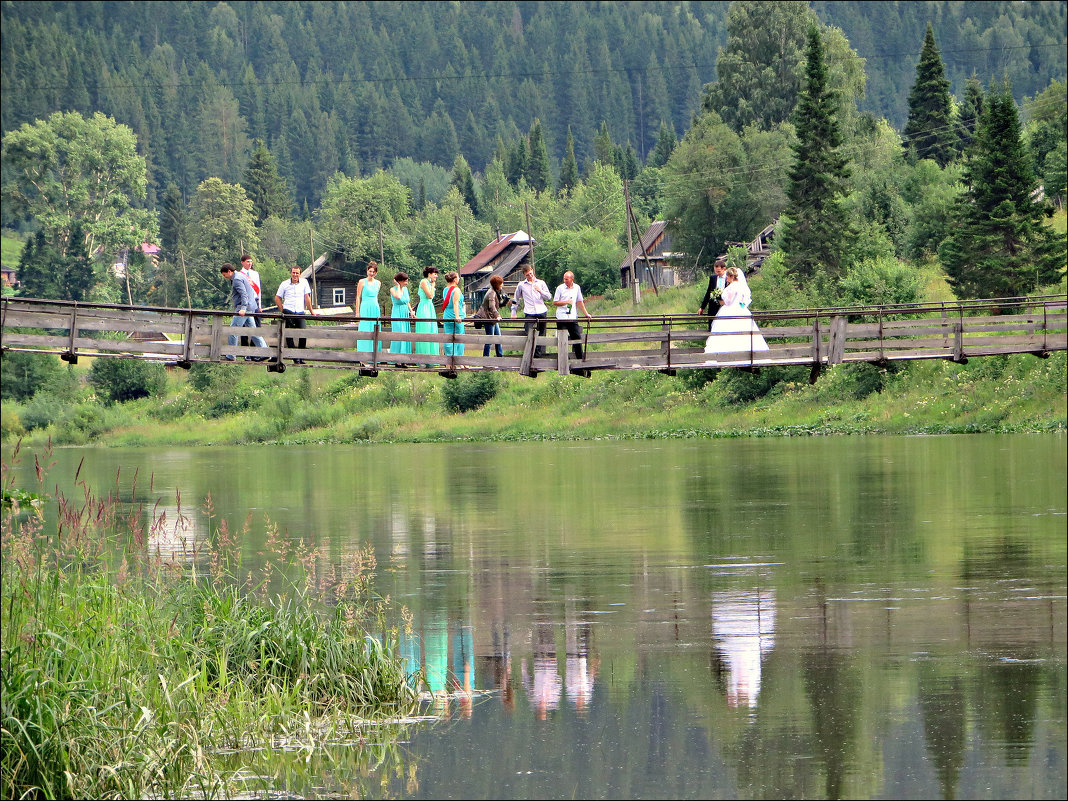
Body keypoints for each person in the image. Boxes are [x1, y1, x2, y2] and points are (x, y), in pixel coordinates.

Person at [704, 266, 769, 363]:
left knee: (727, 331)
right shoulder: (741, 286)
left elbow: (729, 302)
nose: (726, 278)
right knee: (745, 331)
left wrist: (721, 301)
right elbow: (744, 301)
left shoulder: (731, 287)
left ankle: (726, 355)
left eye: (727, 276)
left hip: (729, 310)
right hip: (741, 310)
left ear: (731, 276)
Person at [220, 263, 266, 361]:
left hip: (244, 308)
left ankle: (231, 355)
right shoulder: (240, 276)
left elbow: (244, 294)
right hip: (250, 307)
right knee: (253, 331)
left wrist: (243, 308)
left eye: (225, 275)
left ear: (229, 271)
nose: (225, 277)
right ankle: (265, 351)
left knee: (233, 331)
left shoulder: (236, 279)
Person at [274, 265, 317, 364]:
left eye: (297, 273)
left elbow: (307, 298)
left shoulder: (304, 283)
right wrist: (283, 310)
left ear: (300, 274)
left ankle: (301, 356)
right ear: (291, 273)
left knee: (303, 333)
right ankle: (294, 357)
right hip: (288, 310)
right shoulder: (284, 284)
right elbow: (277, 298)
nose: (295, 275)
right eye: (293, 272)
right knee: (289, 334)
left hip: (300, 311)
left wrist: (312, 312)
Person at [510, 265, 552, 358]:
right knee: (528, 331)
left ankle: (538, 354)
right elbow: (516, 298)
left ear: (532, 271)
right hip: (529, 312)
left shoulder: (541, 283)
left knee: (542, 332)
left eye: (531, 274)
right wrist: (513, 312)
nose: (530, 276)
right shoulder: (522, 285)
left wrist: (540, 291)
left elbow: (549, 297)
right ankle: (531, 352)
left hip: (541, 310)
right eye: (528, 275)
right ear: (524, 275)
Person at [552, 270, 592, 359]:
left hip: (572, 317)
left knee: (576, 337)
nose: (565, 281)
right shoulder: (560, 288)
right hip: (561, 317)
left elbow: (580, 301)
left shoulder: (577, 288)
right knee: (562, 339)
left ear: (572, 279)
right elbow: (555, 302)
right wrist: (566, 302)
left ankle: (580, 358)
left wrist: (586, 313)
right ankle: (563, 359)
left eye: (566, 279)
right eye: (564, 279)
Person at [472, 274, 506, 357]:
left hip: (492, 318)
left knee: (498, 338)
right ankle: (486, 359)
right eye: (500, 283)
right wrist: (497, 315)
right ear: (496, 284)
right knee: (489, 339)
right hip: (488, 318)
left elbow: (497, 305)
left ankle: (500, 357)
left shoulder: (494, 292)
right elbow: (491, 306)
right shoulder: (491, 293)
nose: (502, 285)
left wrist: (505, 301)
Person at [414, 266, 440, 360]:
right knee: (425, 329)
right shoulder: (424, 281)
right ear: (429, 274)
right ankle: (423, 358)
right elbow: (429, 295)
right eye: (435, 274)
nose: (436, 276)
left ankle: (432, 358)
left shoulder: (429, 283)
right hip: (424, 307)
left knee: (431, 329)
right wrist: (433, 287)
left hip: (430, 307)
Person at [356, 261, 382, 353]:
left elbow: (376, 296)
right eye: (370, 271)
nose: (371, 273)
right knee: (365, 328)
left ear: (376, 273)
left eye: (373, 272)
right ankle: (363, 356)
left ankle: (374, 356)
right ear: (367, 271)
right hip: (365, 307)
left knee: (375, 329)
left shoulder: (378, 283)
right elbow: (358, 297)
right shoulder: (362, 282)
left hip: (374, 307)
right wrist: (357, 312)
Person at [389, 271, 415, 361]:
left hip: (404, 312)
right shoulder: (393, 289)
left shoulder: (406, 289)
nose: (406, 283)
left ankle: (405, 358)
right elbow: (399, 297)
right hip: (397, 312)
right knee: (398, 334)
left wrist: (411, 311)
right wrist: (398, 286)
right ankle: (396, 359)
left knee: (405, 334)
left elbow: (407, 301)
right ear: (399, 281)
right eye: (404, 281)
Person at [697, 258, 728, 332]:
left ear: (724, 269)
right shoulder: (713, 278)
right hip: (713, 306)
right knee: (712, 327)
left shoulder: (729, 278)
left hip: (725, 306)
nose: (717, 273)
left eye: (719, 271)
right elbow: (708, 293)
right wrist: (702, 307)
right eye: (716, 271)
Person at [239, 253, 263, 345]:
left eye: (251, 262)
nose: (249, 264)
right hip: (245, 303)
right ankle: (245, 350)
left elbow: (258, 290)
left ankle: (255, 351)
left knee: (256, 326)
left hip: (255, 302)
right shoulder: (240, 274)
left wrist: (260, 305)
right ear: (242, 262)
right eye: (247, 262)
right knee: (245, 326)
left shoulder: (255, 274)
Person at [442, 270, 465, 357]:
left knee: (448, 338)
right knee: (459, 338)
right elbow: (455, 303)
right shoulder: (456, 290)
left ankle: (449, 360)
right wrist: (457, 316)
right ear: (455, 280)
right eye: (458, 277)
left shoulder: (445, 290)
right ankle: (459, 360)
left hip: (447, 315)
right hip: (455, 314)